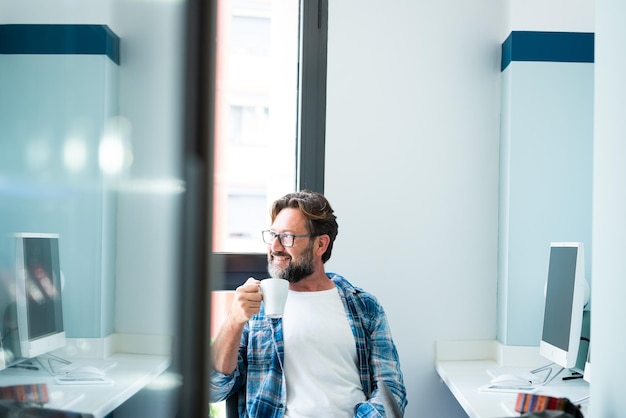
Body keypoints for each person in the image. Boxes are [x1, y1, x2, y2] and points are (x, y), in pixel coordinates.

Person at [210, 190, 407, 417]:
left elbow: (391, 391)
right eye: (272, 235)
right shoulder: (254, 306)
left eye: (287, 237)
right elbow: (214, 389)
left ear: (320, 245)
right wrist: (234, 320)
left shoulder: (365, 307)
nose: (275, 247)